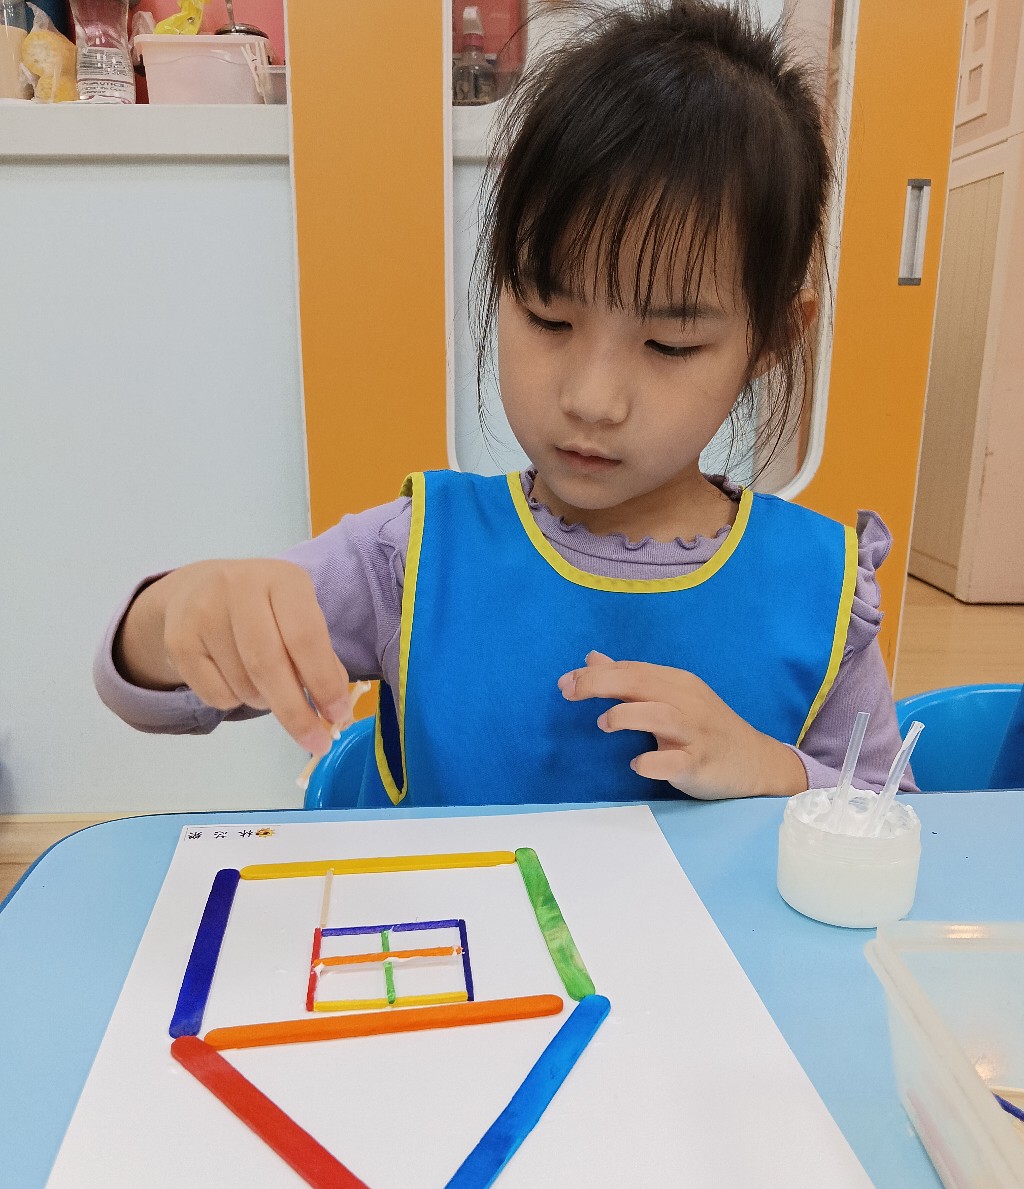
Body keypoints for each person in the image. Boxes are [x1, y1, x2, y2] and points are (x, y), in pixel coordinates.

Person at [95, 0, 912, 807]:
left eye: (669, 344)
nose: (592, 399)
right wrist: (178, 615)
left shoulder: (822, 590)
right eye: (549, 318)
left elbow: (895, 812)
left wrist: (775, 770)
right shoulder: (414, 557)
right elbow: (144, 687)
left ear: (769, 343)